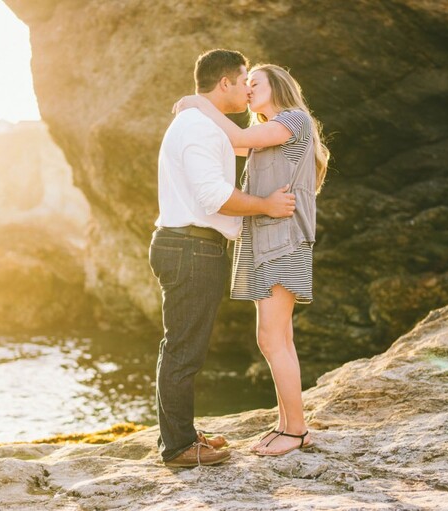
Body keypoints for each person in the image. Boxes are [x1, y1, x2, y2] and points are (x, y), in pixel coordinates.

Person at [151, 50, 297, 468]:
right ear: (226, 83)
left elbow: (238, 148)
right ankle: (178, 447)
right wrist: (267, 206)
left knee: (181, 345)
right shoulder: (197, 127)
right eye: (244, 78)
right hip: (191, 248)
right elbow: (213, 196)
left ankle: (180, 434)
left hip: (190, 245)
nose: (248, 85)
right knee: (184, 349)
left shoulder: (203, 125)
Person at [175, 63, 330, 456]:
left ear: (276, 86)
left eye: (253, 83)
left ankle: (295, 431)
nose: (246, 89)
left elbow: (237, 135)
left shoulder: (293, 120)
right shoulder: (268, 134)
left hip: (283, 243)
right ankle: (289, 425)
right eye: (244, 83)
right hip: (270, 242)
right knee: (280, 338)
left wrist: (196, 102)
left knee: (272, 338)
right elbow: (234, 143)